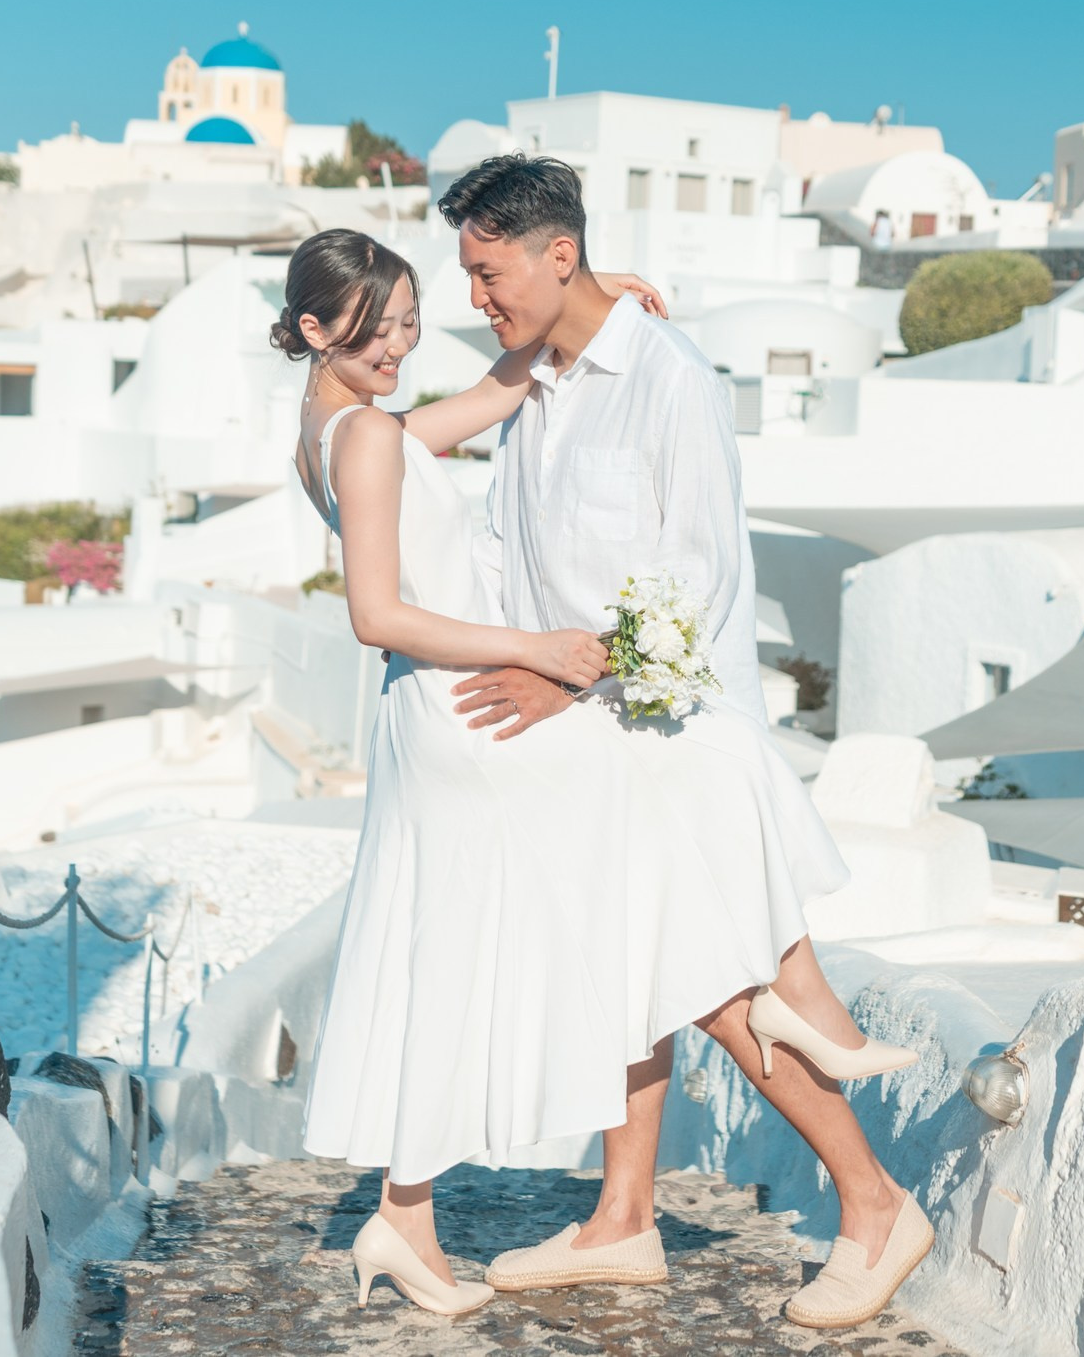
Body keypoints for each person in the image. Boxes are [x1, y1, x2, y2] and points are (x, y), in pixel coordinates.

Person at [438, 155, 932, 1332]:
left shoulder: (669, 380)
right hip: (586, 740)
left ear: (555, 254)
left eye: (487, 269)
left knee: (721, 987)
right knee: (626, 973)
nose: (476, 298)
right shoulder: (535, 385)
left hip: (671, 731)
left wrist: (571, 675)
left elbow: (700, 578)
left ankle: (875, 1209)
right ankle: (621, 1221)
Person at [284, 230, 668, 1317]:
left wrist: (591, 300)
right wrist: (537, 650)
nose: (400, 347)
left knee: (448, 959)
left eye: (409, 324)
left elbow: (492, 396)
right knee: (488, 945)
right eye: (376, 331)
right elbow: (376, 615)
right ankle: (419, 1211)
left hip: (432, 718)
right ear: (315, 330)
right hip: (458, 715)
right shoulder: (363, 434)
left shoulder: (342, 425)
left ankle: (408, 1215)